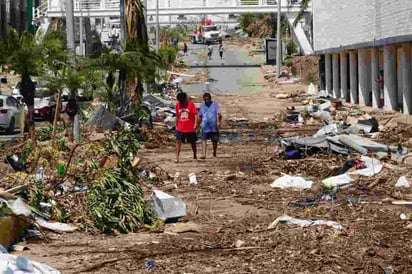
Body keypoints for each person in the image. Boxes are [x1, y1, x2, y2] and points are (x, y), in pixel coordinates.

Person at [197, 92, 222, 159]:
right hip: (205, 126)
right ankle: (204, 154)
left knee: (214, 140)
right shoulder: (202, 105)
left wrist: (219, 122)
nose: (206, 101)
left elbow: (219, 114)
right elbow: (200, 116)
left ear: (210, 99)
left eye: (207, 99)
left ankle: (214, 153)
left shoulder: (215, 105)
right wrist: (198, 125)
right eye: (205, 99)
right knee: (204, 139)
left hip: (213, 126)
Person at [175, 92, 198, 163]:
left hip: (190, 127)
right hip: (180, 127)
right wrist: (176, 125)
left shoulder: (191, 104)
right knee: (178, 142)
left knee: (192, 142)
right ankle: (177, 157)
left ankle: (194, 155)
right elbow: (177, 116)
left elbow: (195, 114)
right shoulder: (178, 105)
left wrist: (195, 124)